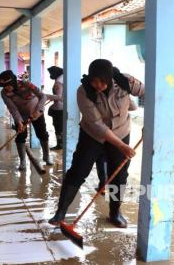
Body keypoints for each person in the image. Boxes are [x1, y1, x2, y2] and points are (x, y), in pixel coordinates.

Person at [48, 59, 144, 228]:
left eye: (101, 81)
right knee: (78, 171)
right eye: (94, 81)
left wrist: (151, 122)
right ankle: (60, 212)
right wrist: (121, 146)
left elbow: (147, 92)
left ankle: (115, 213)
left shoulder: (124, 81)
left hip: (121, 132)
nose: (97, 85)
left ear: (109, 78)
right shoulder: (83, 91)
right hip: (92, 135)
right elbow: (97, 125)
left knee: (119, 175)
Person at [0, 70, 53, 170]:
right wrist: (18, 121)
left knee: (42, 134)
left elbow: (43, 96)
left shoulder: (27, 84)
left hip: (36, 112)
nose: (6, 88)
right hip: (21, 115)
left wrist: (39, 110)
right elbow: (12, 108)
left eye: (8, 85)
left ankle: (46, 157)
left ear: (13, 81)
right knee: (20, 136)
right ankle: (23, 161)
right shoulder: (4, 93)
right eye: (4, 86)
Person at [45, 66, 64, 150]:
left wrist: (46, 96)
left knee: (58, 128)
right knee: (61, 127)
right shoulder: (64, 79)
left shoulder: (58, 82)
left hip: (59, 108)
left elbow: (59, 97)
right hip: (63, 107)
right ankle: (62, 144)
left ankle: (60, 145)